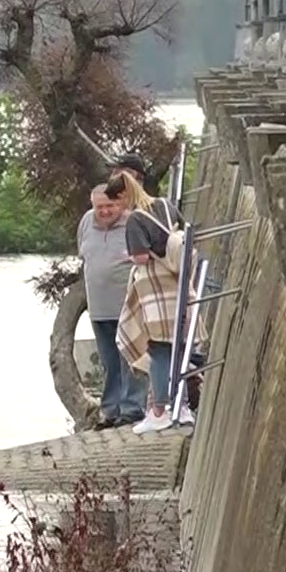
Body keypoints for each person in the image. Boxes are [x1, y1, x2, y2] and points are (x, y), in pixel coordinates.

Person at [109, 168, 191, 434]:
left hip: (155, 286)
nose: (118, 209)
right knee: (178, 345)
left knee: (157, 348)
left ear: (124, 195)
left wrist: (128, 255)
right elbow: (182, 233)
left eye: (117, 202)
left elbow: (142, 257)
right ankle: (182, 406)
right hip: (178, 281)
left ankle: (159, 410)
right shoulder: (166, 205)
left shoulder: (135, 219)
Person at [76, 183, 145, 428]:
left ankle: (133, 409)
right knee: (109, 362)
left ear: (121, 203)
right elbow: (83, 254)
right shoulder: (86, 222)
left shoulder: (133, 223)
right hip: (99, 307)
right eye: (99, 207)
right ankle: (111, 410)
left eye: (110, 205)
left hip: (129, 307)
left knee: (131, 359)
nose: (104, 211)